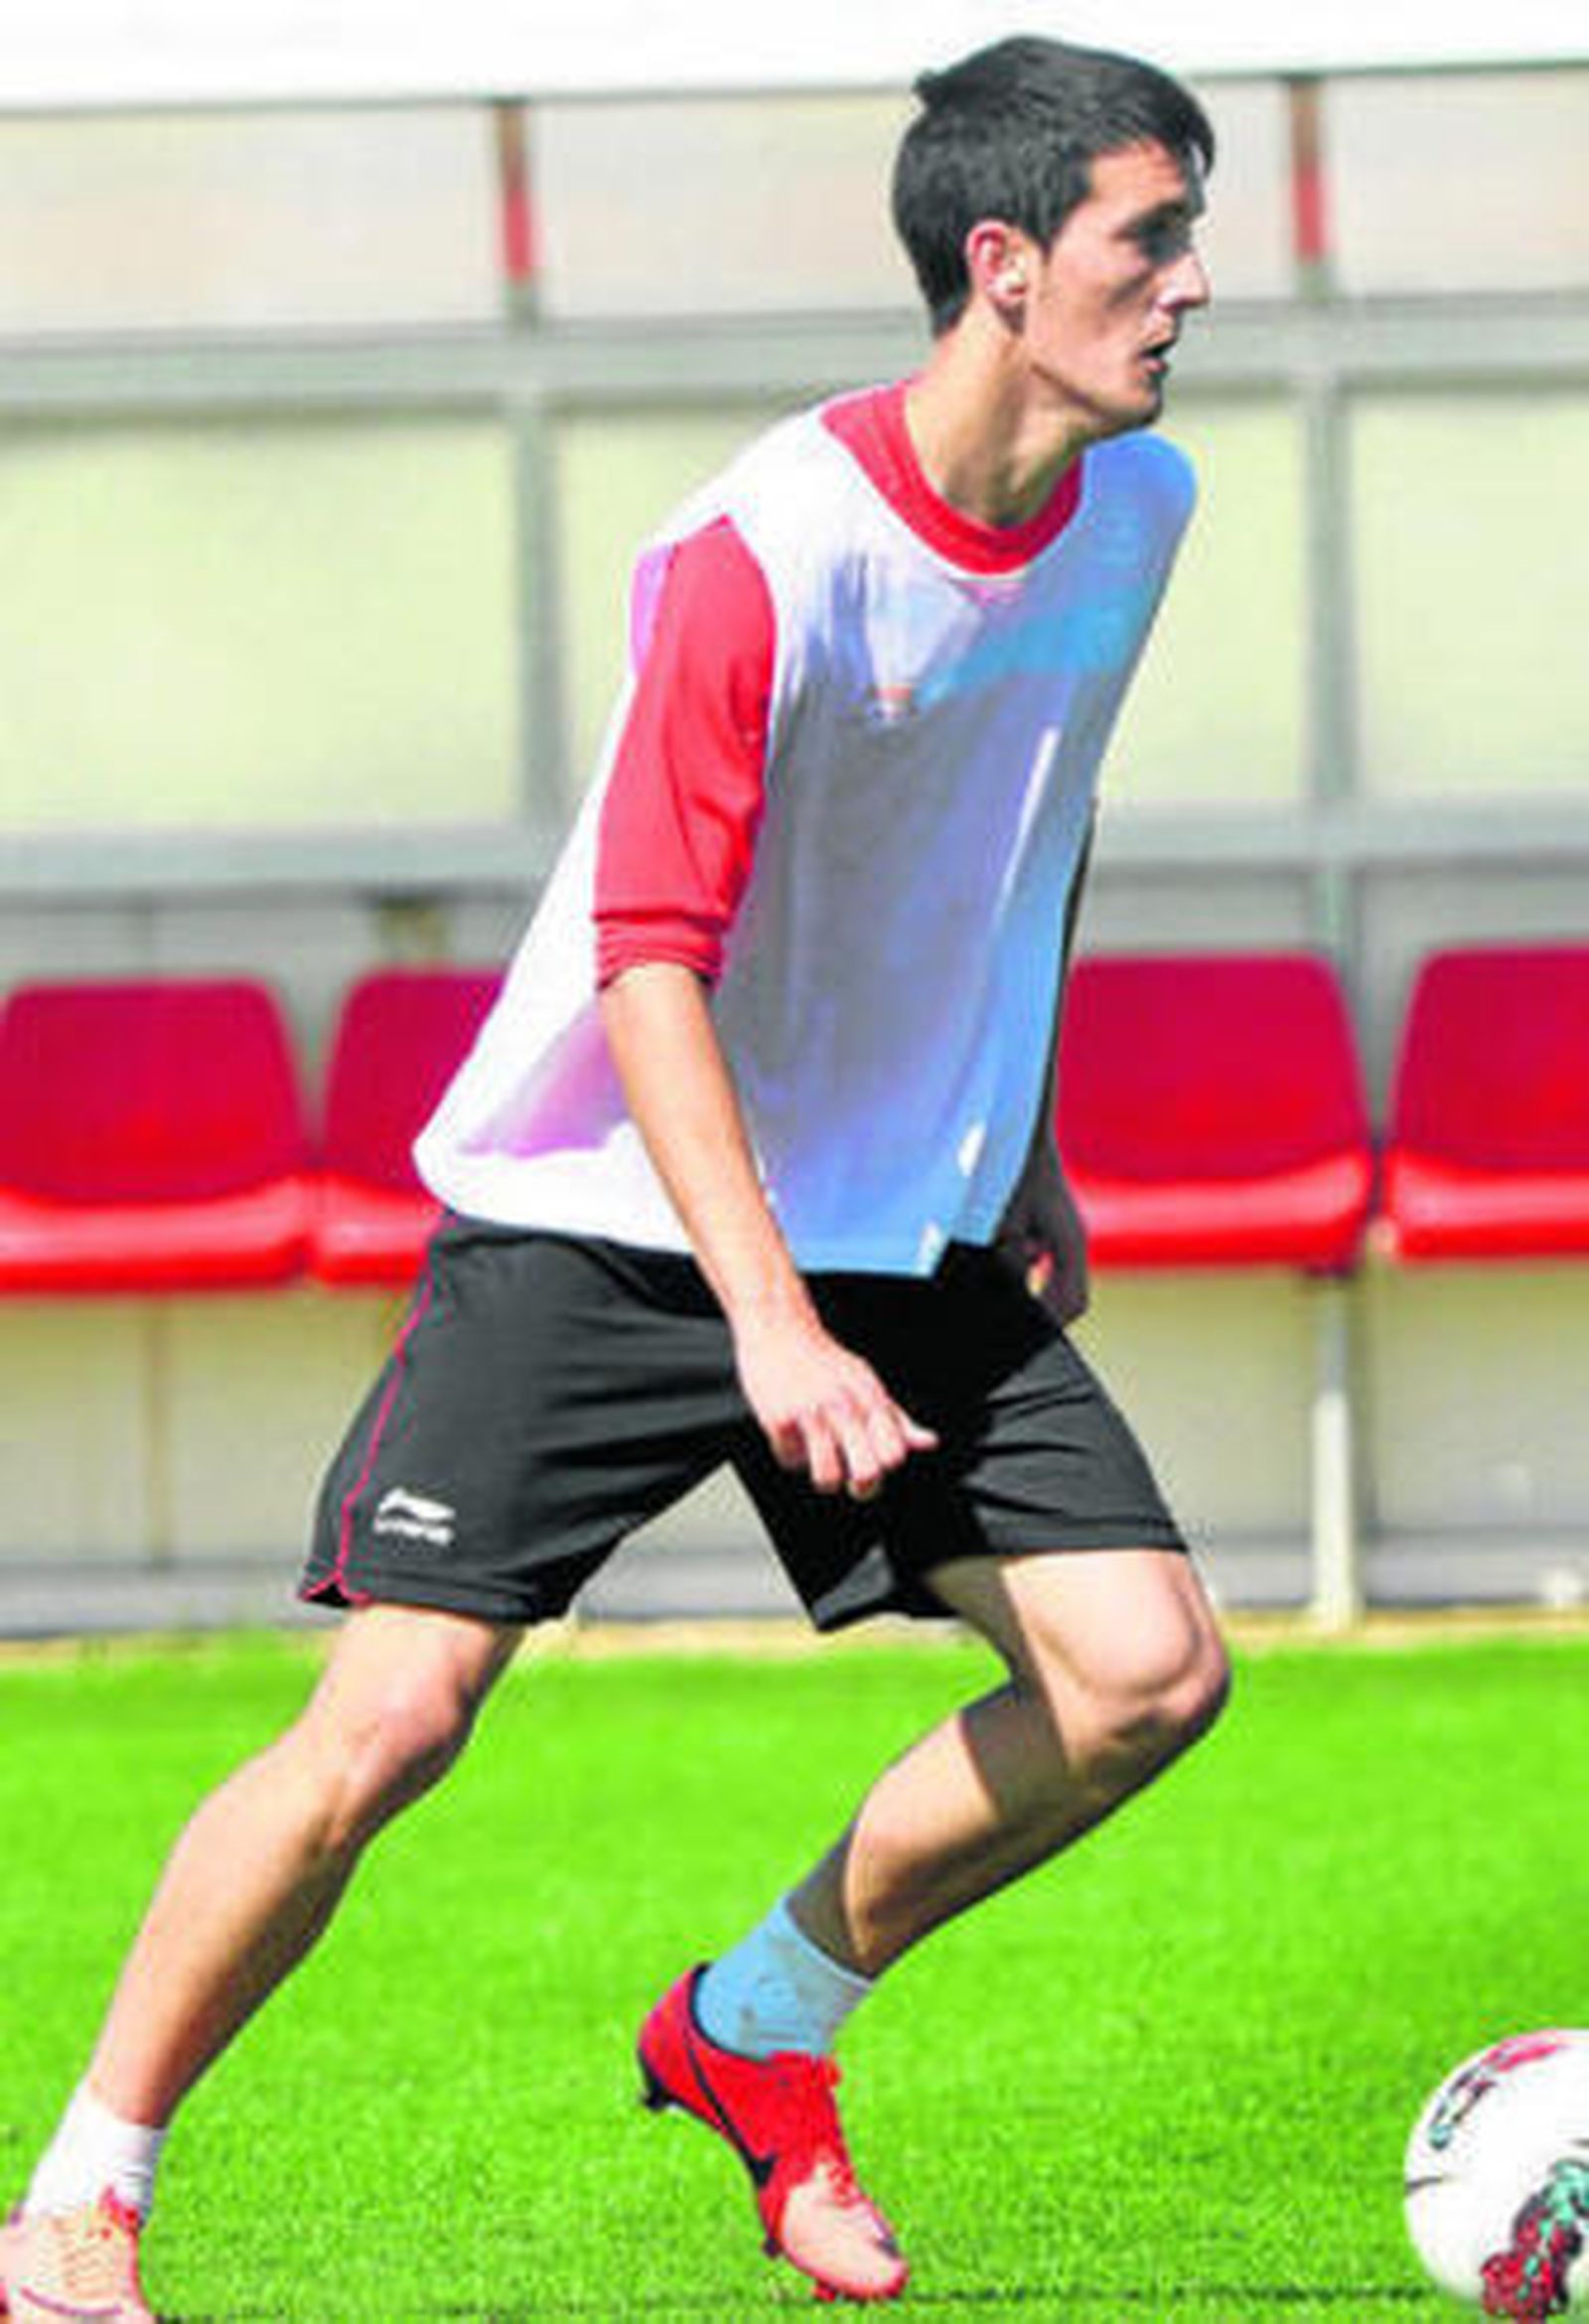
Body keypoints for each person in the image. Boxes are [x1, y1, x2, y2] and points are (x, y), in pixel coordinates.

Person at [2, 33, 1229, 2317]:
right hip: (606, 1216)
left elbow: (1034, 827)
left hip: (904, 1223)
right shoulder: (764, 550)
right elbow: (647, 962)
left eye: (1184, 238)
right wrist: (764, 1319)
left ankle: (753, 2027)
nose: (1185, 286)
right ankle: (77, 2197)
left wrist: (1027, 1139)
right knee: (392, 1721)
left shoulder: (1141, 513)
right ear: (1000, 262)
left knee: (1140, 1673)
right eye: (1145, 239)